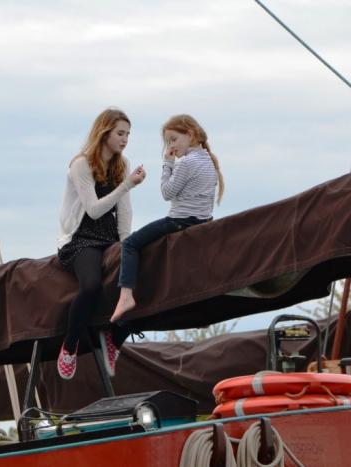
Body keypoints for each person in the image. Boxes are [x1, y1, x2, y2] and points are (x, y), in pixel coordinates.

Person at [56, 108, 146, 380]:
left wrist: (126, 245)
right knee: (92, 285)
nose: (125, 139)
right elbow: (94, 210)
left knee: (137, 278)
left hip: (109, 237)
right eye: (120, 133)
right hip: (81, 238)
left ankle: (114, 339)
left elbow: (124, 210)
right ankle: (69, 346)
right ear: (104, 133)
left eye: (128, 134)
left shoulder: (122, 164)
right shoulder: (81, 165)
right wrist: (126, 185)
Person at [111, 114, 225, 322]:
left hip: (180, 221)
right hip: (202, 221)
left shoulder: (187, 162)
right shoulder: (208, 160)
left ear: (190, 135)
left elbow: (167, 193)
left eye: (173, 139)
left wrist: (168, 164)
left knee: (130, 244)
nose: (171, 145)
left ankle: (126, 295)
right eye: (168, 142)